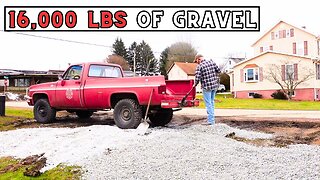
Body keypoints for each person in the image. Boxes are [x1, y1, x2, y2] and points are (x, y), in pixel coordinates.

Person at [193, 54, 221, 126]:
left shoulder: (200, 66)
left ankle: (211, 121)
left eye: (196, 61)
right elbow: (218, 70)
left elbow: (197, 78)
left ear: (198, 59)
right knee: (211, 102)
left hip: (207, 87)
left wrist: (194, 85)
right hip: (214, 86)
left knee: (208, 104)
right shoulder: (212, 62)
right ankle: (212, 120)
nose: (197, 63)